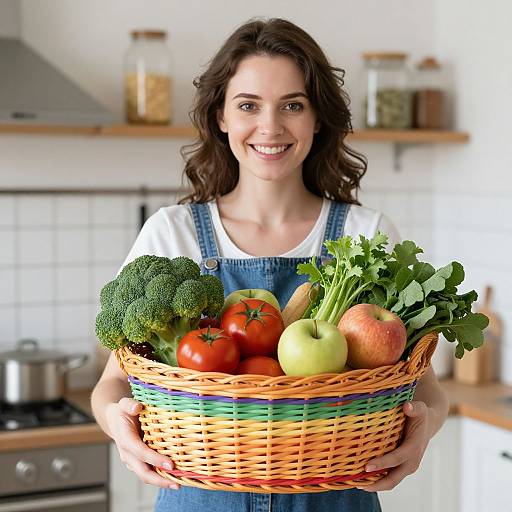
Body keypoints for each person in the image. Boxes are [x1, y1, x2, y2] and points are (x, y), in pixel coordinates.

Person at [91, 17, 449, 512]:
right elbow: (111, 382)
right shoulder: (171, 233)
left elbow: (426, 387)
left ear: (317, 118)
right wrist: (118, 425)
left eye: (293, 106)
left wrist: (424, 427)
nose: (271, 127)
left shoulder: (366, 235)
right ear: (221, 116)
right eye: (248, 105)